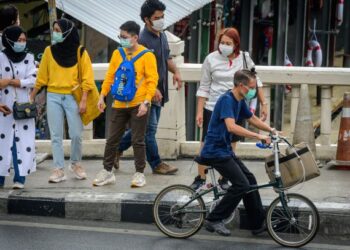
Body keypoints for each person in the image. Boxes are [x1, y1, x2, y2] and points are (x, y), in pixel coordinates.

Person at [199, 69, 276, 236]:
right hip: (215, 151)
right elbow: (231, 127)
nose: (254, 91)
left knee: (250, 180)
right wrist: (258, 136)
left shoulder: (239, 100)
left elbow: (252, 118)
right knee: (241, 185)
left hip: (224, 150)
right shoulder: (227, 100)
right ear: (241, 86)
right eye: (252, 87)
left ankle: (256, 223)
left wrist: (271, 130)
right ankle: (214, 219)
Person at [190, 27, 268, 190]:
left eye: (228, 43)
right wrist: (199, 111)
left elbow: (256, 81)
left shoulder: (244, 58)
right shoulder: (211, 59)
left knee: (231, 142)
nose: (224, 45)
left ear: (236, 44)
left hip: (235, 106)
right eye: (222, 42)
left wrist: (264, 103)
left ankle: (224, 178)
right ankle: (201, 177)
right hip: (213, 107)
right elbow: (204, 86)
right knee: (206, 142)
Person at [114, 0, 182, 175]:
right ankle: (157, 163)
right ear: (146, 19)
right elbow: (137, 71)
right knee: (149, 131)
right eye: (157, 17)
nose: (161, 20)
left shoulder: (162, 35)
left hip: (160, 92)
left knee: (144, 130)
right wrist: (153, 90)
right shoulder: (142, 40)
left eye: (162, 17)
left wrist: (176, 72)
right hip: (147, 94)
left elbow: (166, 59)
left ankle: (116, 148)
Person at [92, 21, 158, 187]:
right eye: (120, 36)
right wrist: (102, 96)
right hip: (119, 103)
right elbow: (110, 76)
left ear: (135, 37)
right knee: (112, 139)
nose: (121, 39)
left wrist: (146, 102)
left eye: (125, 37)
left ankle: (139, 173)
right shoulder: (117, 54)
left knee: (138, 140)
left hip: (139, 103)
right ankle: (107, 171)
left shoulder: (147, 55)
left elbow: (152, 80)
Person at [30, 18, 96, 183]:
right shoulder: (49, 51)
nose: (56, 33)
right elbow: (42, 77)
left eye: (59, 30)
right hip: (53, 96)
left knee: (76, 134)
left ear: (67, 32)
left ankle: (76, 164)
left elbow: (88, 78)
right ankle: (58, 169)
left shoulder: (81, 52)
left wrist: (84, 100)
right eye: (55, 30)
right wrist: (33, 94)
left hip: (73, 97)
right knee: (56, 135)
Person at [0, 26, 36, 189]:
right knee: (2, 142)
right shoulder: (0, 57)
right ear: (9, 40)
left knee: (22, 142)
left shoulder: (29, 57)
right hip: (3, 107)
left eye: (23, 40)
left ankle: (19, 179)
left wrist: (10, 81)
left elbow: (34, 80)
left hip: (23, 107)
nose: (21, 43)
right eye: (18, 40)